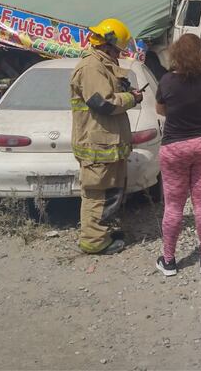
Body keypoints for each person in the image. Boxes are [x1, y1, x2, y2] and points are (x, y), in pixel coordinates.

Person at [70, 18, 143, 255]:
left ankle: (102, 233)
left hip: (106, 144)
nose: (118, 55)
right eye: (117, 50)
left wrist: (124, 88)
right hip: (96, 145)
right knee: (97, 194)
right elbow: (103, 102)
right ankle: (93, 241)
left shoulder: (102, 65)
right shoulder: (91, 67)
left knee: (108, 192)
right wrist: (132, 98)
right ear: (108, 45)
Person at [154, 34, 201, 276]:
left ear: (175, 54)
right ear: (198, 54)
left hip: (175, 147)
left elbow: (161, 110)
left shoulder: (166, 82)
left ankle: (169, 261)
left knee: (174, 205)